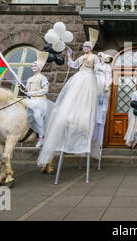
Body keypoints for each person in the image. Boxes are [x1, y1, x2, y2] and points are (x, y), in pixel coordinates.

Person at [37, 29, 100, 167]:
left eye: (87, 47)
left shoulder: (93, 57)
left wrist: (101, 64)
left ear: (91, 48)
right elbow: (73, 66)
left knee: (85, 98)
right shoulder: (82, 57)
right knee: (72, 97)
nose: (85, 48)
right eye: (84, 47)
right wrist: (70, 56)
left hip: (88, 78)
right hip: (79, 77)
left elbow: (98, 67)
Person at [23, 50, 53, 148]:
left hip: (40, 101)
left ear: (39, 67)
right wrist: (22, 88)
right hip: (31, 101)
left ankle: (41, 137)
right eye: (32, 66)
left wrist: (32, 93)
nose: (32, 67)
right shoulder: (29, 79)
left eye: (35, 66)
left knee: (36, 115)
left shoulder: (42, 78)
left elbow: (45, 90)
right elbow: (26, 90)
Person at [90, 52, 112, 161]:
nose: (99, 58)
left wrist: (107, 85)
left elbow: (108, 76)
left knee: (101, 110)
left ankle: (98, 141)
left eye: (101, 57)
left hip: (102, 85)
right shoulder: (94, 65)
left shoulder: (107, 67)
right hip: (94, 84)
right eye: (98, 57)